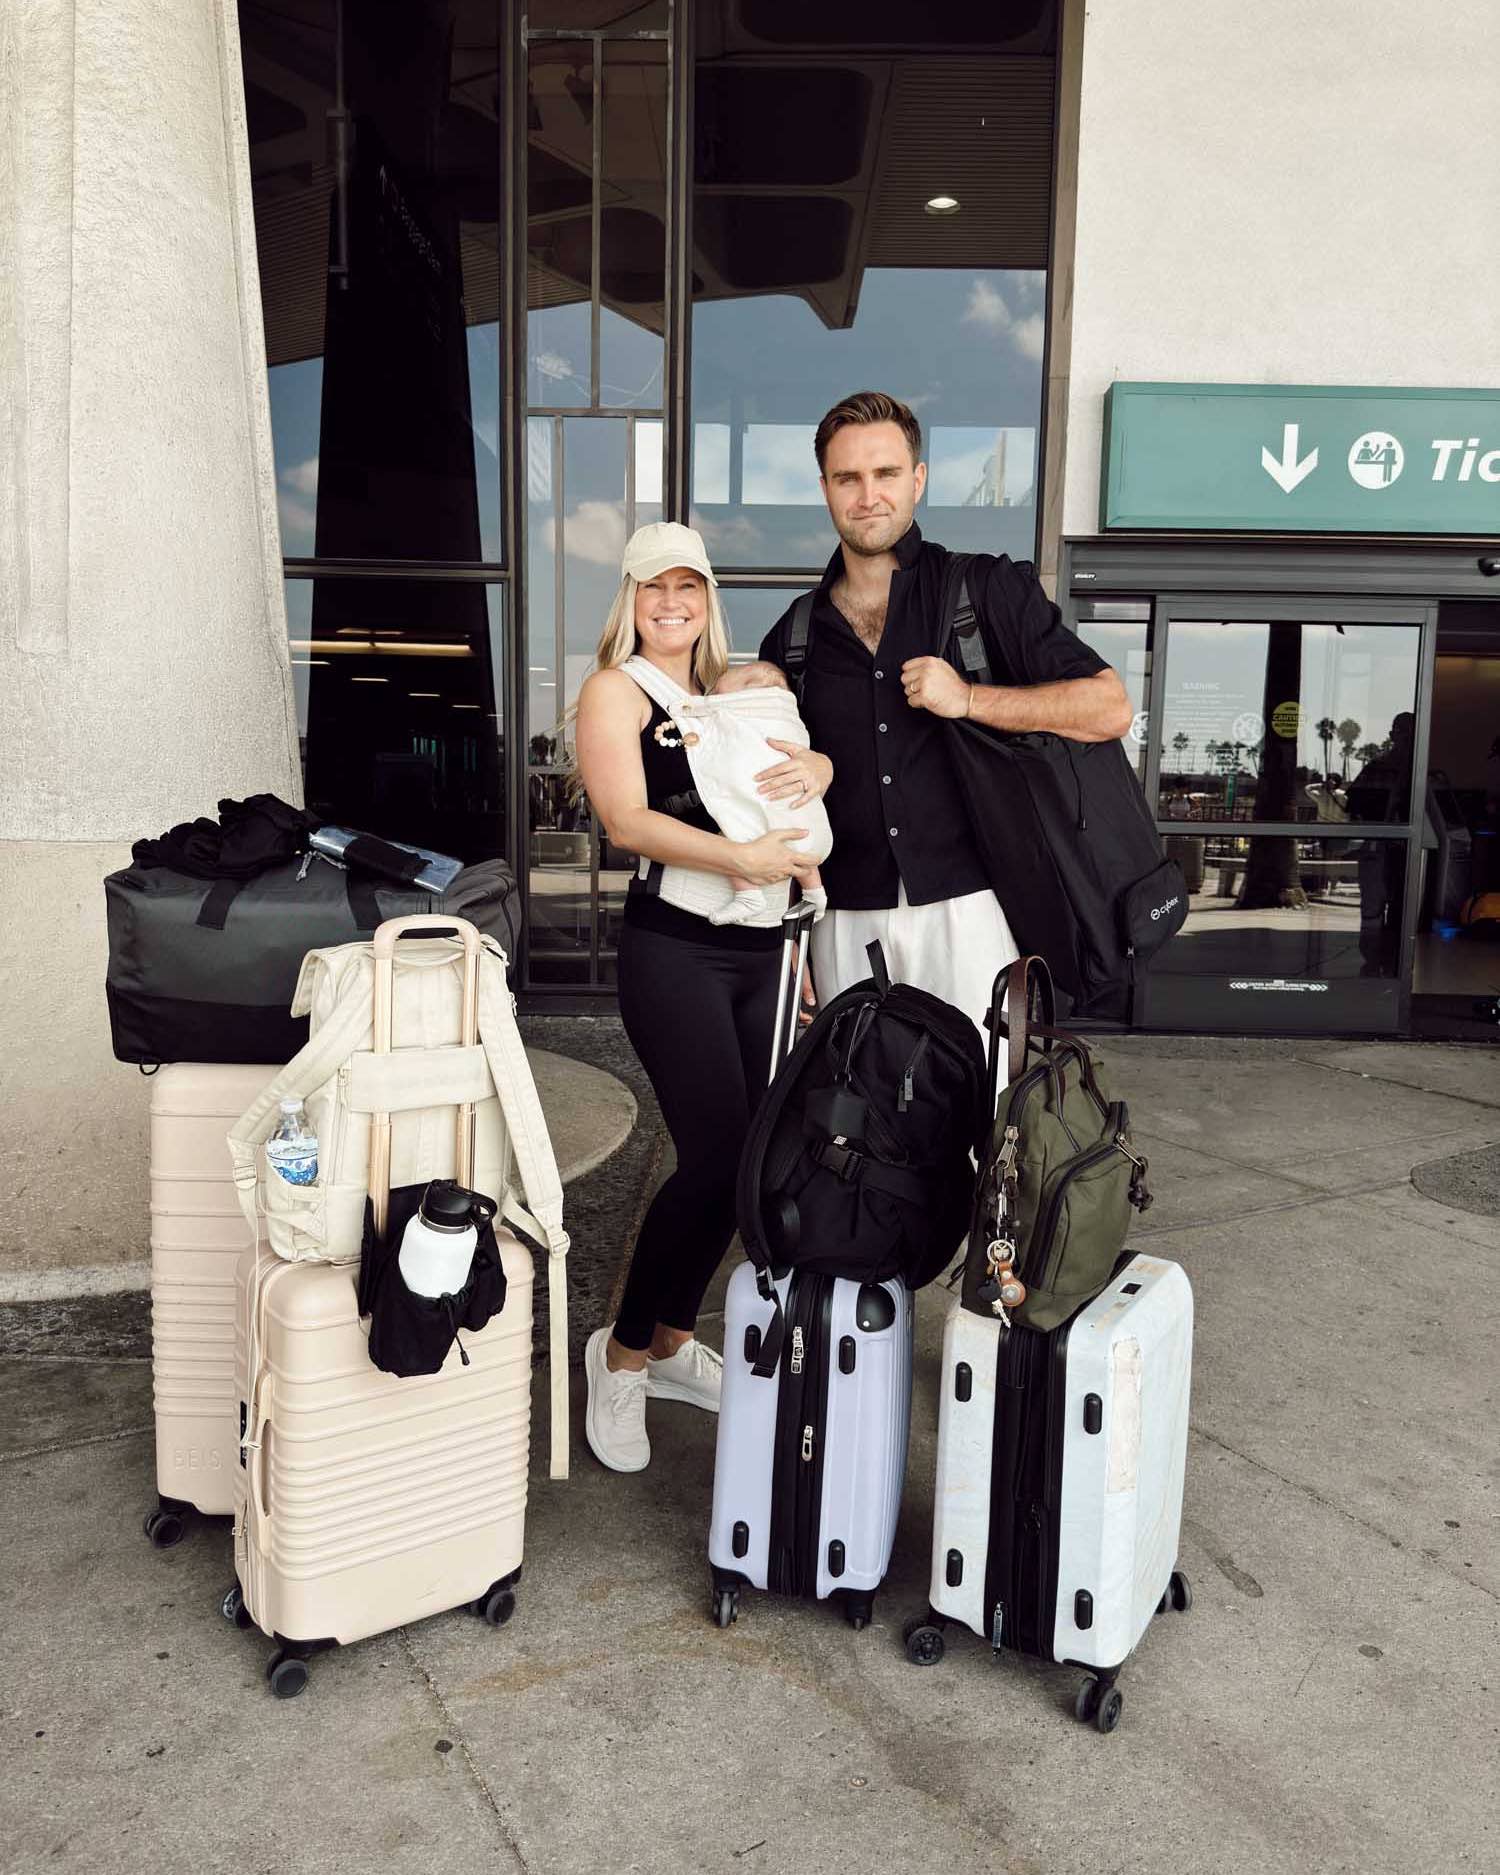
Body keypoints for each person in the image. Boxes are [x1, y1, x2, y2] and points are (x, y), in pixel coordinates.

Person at [573, 521, 833, 1471]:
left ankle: (676, 1340)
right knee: (718, 1152)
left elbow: (795, 777)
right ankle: (623, 1354)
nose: (672, 603)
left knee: (752, 1160)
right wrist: (740, 856)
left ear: (708, 597)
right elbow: (624, 819)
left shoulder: (732, 691)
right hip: (675, 948)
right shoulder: (617, 689)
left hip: (766, 952)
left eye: (689, 586)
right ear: (631, 598)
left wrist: (825, 767)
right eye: (654, 587)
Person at [757, 390, 1133, 1034]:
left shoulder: (984, 590)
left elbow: (1110, 707)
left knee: (975, 1114)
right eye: (848, 478)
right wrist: (789, 940)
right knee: (856, 1119)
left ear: (918, 480)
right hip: (842, 917)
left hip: (972, 907)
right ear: (824, 488)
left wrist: (968, 699)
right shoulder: (794, 638)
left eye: (886, 474)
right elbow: (775, 802)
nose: (867, 495)